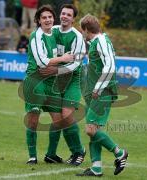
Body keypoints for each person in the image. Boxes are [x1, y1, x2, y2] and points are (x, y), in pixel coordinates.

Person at [76, 14, 128, 177]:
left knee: (90, 129)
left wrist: (98, 88)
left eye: (81, 29)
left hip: (103, 92)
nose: (81, 33)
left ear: (85, 29)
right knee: (94, 128)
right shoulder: (96, 42)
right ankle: (96, 167)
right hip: (98, 92)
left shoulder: (102, 41)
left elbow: (110, 65)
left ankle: (120, 153)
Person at [23, 4, 74, 164]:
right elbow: (42, 61)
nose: (47, 20)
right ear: (38, 20)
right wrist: (63, 59)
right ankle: (32, 155)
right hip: (35, 81)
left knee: (58, 119)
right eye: (44, 17)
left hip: (51, 82)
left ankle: (51, 154)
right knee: (33, 119)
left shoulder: (55, 33)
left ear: (54, 18)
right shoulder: (35, 36)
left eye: (50, 17)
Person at [39, 4, 86, 166]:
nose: (64, 16)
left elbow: (75, 64)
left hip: (73, 77)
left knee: (66, 114)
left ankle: (78, 151)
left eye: (68, 15)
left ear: (73, 19)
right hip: (55, 79)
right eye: (63, 13)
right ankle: (51, 154)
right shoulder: (53, 30)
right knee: (57, 117)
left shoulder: (77, 37)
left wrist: (54, 71)